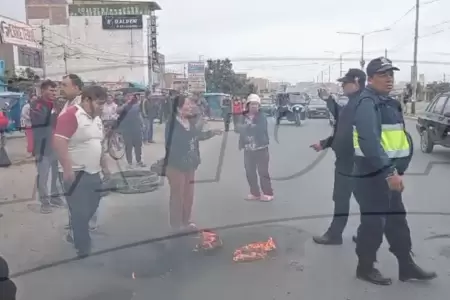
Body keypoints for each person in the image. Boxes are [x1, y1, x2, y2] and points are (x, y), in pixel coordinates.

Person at [352, 57, 436, 285]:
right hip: (372, 175)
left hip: (389, 174)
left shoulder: (388, 102)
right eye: (383, 75)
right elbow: (369, 142)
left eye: (391, 74)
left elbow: (397, 138)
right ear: (370, 78)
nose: (389, 79)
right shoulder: (367, 102)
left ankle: (406, 266)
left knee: (397, 221)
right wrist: (389, 172)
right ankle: (365, 268)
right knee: (373, 224)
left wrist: (397, 170)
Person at [53, 85, 110, 257]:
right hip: (76, 173)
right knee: (79, 211)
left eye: (103, 104)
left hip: (94, 172)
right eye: (99, 103)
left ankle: (77, 232)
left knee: (93, 205)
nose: (102, 107)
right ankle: (83, 247)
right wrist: (68, 169)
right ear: (86, 100)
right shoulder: (71, 115)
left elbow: (99, 145)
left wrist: (105, 168)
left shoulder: (97, 119)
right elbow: (59, 142)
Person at [311, 69, 366, 245]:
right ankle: (368, 231)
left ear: (356, 83)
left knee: (343, 197)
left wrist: (327, 143)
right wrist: (325, 143)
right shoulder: (353, 103)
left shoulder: (362, 104)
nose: (342, 86)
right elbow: (341, 122)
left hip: (353, 161)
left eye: (345, 83)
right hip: (351, 161)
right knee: (360, 198)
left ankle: (336, 234)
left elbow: (349, 134)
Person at [164, 94, 221, 231]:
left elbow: (197, 136)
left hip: (190, 163)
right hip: (176, 165)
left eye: (190, 104)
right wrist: (197, 126)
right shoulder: (172, 124)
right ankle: (176, 225)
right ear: (178, 109)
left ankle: (186, 221)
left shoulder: (189, 121)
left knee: (189, 194)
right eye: (187, 104)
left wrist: (211, 133)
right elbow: (175, 142)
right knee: (178, 196)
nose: (190, 107)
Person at [30, 80, 64, 214]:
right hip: (42, 147)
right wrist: (55, 111)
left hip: (55, 146)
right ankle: (44, 202)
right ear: (43, 90)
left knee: (56, 175)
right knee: (43, 176)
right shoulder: (36, 105)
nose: (54, 93)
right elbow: (42, 122)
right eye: (51, 90)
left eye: (55, 91)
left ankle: (55, 198)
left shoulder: (55, 105)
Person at [237, 94, 274, 201]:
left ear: (259, 106)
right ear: (248, 105)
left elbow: (260, 129)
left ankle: (268, 193)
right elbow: (238, 128)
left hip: (261, 148)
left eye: (256, 105)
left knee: (263, 172)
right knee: (249, 172)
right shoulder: (243, 116)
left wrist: (246, 127)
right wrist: (246, 127)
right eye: (252, 104)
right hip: (248, 149)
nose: (254, 107)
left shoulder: (262, 116)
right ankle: (255, 193)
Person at [117, 92, 146, 168]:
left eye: (131, 96)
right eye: (128, 96)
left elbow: (139, 115)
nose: (130, 98)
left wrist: (142, 124)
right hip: (126, 129)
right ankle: (129, 162)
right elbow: (117, 111)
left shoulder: (137, 106)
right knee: (128, 146)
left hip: (136, 128)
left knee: (138, 146)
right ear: (125, 98)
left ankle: (138, 161)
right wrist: (125, 105)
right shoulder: (123, 106)